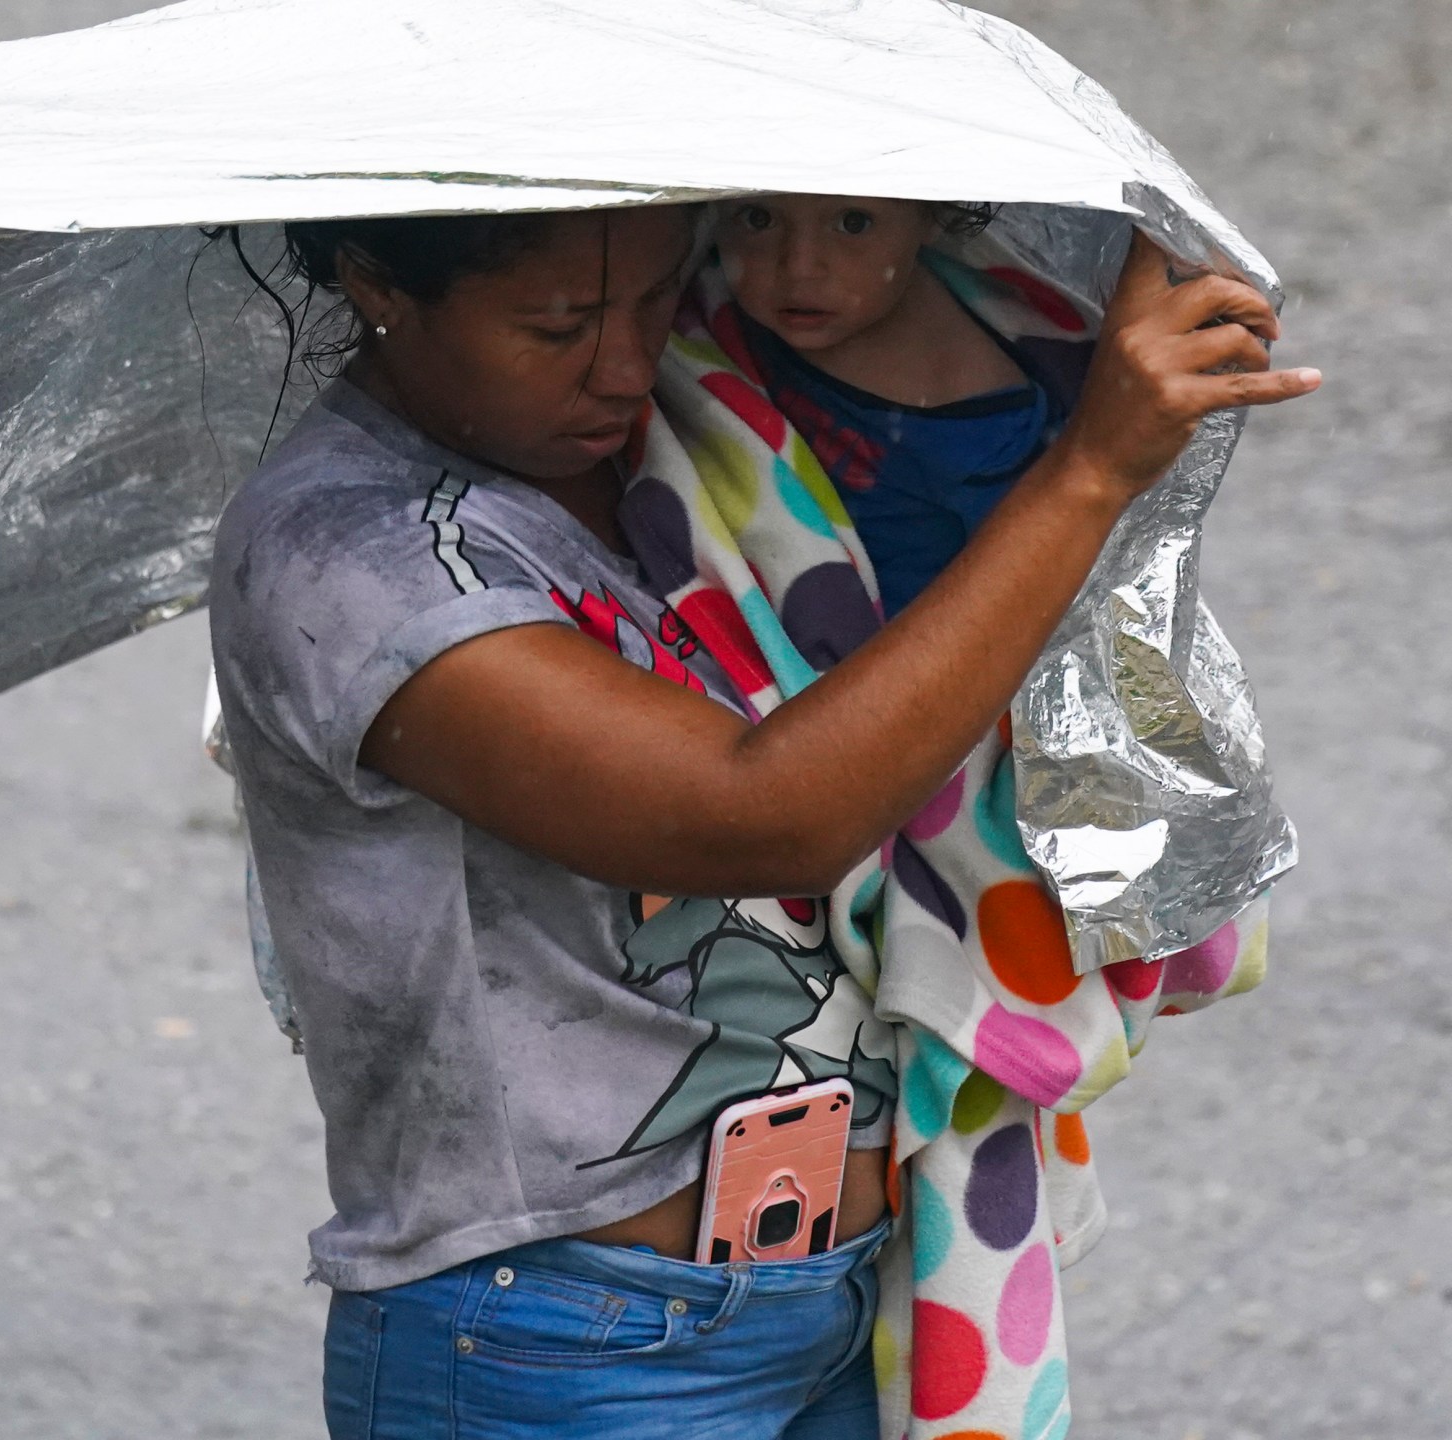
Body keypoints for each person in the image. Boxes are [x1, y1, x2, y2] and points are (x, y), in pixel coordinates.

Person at [204, 203, 1315, 1439]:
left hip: (847, 1301)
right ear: (375, 280)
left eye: (652, 296)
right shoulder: (351, 557)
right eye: (559, 324)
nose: (626, 363)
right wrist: (1090, 471)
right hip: (568, 1346)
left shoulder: (710, 419)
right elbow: (763, 815)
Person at [712, 194, 1079, 615]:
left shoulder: (979, 427)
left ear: (935, 213)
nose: (800, 268)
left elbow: (1024, 595)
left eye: (853, 222)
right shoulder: (710, 300)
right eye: (760, 219)